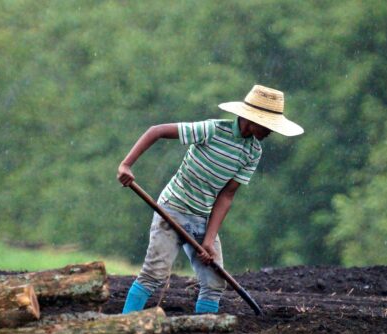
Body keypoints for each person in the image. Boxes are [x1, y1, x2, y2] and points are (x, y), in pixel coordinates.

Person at [117, 85, 303, 314]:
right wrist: (126, 165)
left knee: (214, 283)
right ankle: (124, 324)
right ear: (252, 120)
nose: (272, 132)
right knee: (153, 275)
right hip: (172, 209)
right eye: (270, 126)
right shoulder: (212, 130)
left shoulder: (253, 152)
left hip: (202, 218)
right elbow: (156, 131)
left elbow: (226, 195)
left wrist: (209, 239)